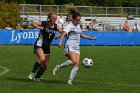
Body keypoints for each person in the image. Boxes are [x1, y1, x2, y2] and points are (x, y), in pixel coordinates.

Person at [52, 12, 96, 85]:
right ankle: (60, 68)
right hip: (69, 45)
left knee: (77, 64)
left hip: (76, 47)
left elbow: (81, 34)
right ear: (73, 19)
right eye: (77, 20)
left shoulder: (78, 26)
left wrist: (91, 38)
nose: (78, 21)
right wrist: (60, 41)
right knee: (74, 61)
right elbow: (64, 33)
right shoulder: (69, 26)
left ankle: (69, 80)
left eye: (79, 20)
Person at [28, 11, 63, 81]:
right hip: (39, 44)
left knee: (45, 65)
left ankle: (36, 78)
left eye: (56, 18)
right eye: (53, 18)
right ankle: (32, 73)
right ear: (49, 18)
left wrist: (58, 36)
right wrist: (38, 27)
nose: (55, 20)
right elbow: (32, 23)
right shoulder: (44, 23)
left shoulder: (56, 26)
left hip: (47, 47)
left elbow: (63, 32)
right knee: (42, 58)